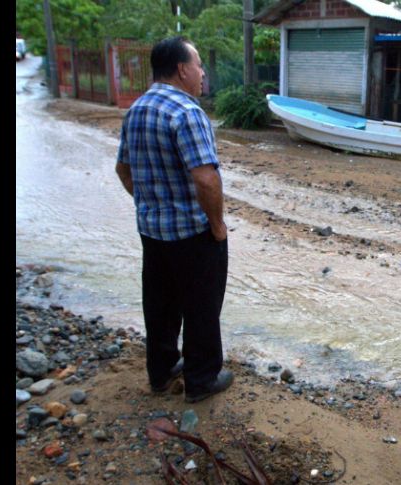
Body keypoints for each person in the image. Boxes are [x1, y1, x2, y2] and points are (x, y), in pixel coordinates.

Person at [115, 36, 233, 403]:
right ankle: (201, 381)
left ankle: (162, 372)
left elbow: (123, 170)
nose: (202, 73)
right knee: (202, 306)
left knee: (160, 304)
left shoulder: (136, 110)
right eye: (198, 65)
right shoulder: (187, 112)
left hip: (152, 231)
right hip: (191, 234)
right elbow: (205, 177)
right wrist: (217, 225)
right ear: (182, 69)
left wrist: (151, 202)